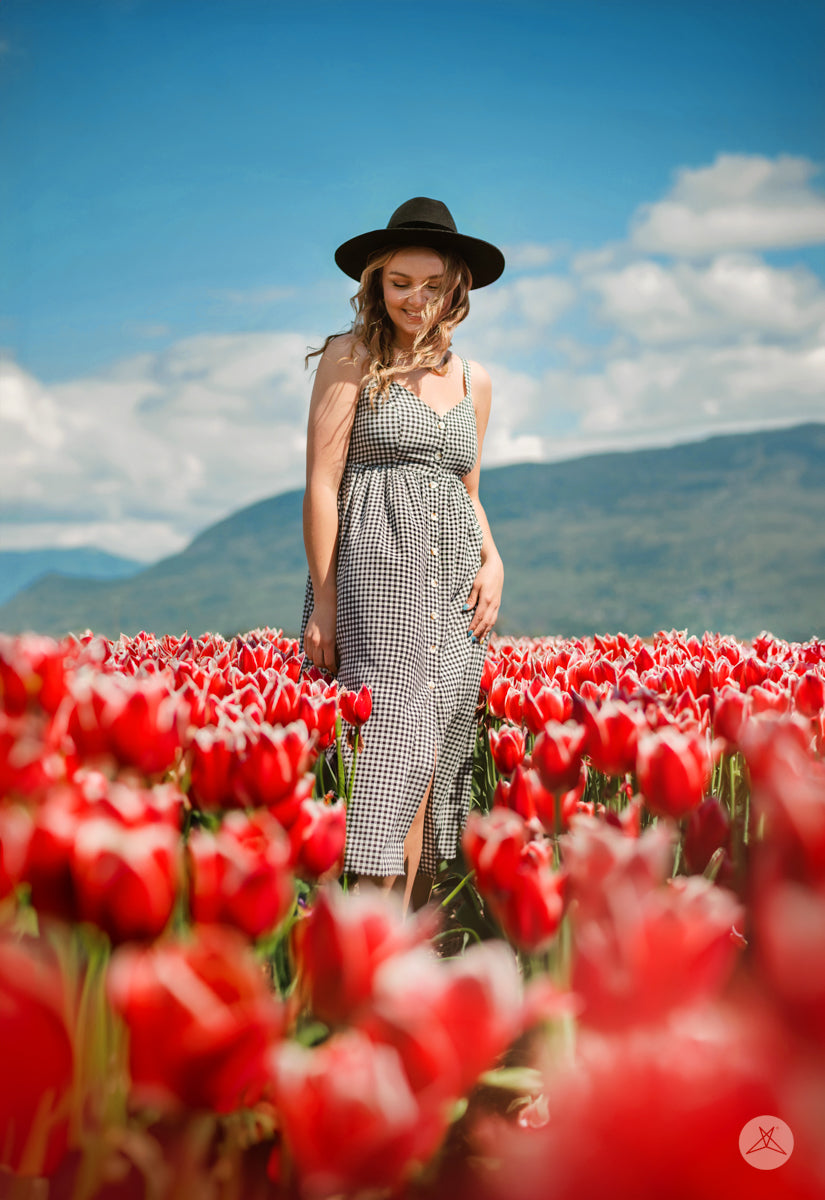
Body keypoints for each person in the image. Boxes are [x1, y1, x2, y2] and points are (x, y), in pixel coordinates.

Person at [300, 196, 505, 909]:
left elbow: (468, 490)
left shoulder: (472, 379)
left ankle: (398, 948)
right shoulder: (350, 356)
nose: (415, 300)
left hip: (454, 583)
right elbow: (323, 485)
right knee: (385, 757)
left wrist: (495, 560)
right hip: (375, 573)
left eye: (431, 285)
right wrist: (324, 601)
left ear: (457, 287)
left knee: (421, 770)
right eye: (399, 284)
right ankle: (357, 945)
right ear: (375, 284)